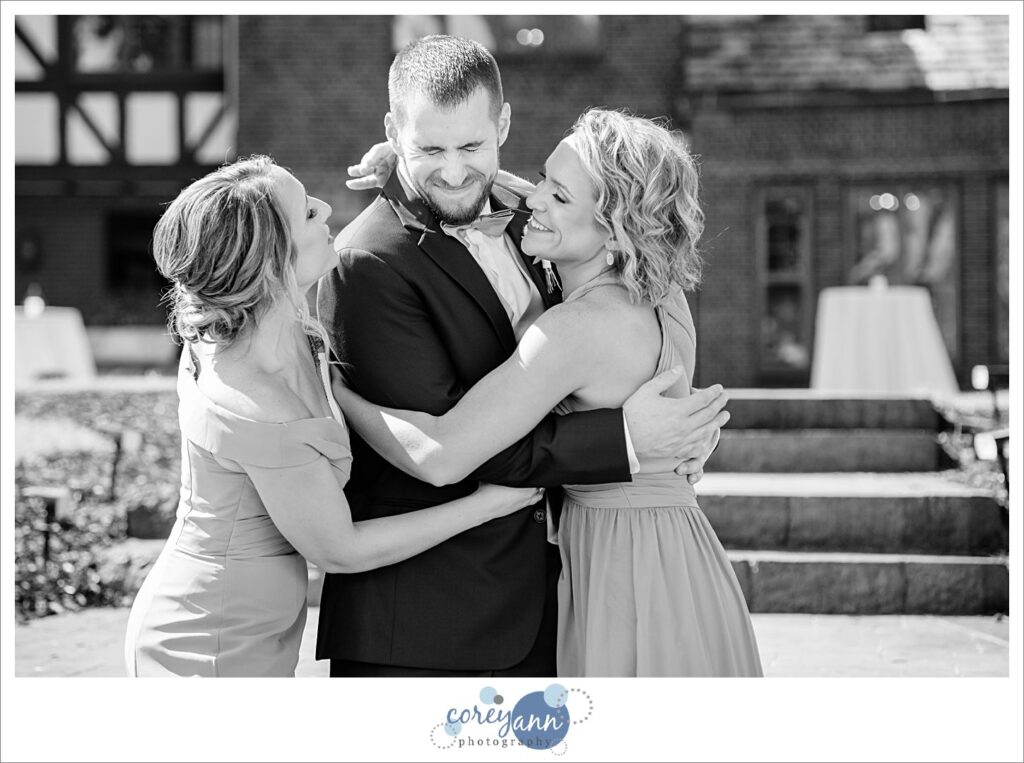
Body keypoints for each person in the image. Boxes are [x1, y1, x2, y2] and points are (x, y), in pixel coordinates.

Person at [316, 35, 729, 677]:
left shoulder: (573, 310)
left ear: (503, 125)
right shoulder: (660, 288)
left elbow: (447, 448)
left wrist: (341, 394)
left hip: (602, 571)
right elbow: (446, 455)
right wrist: (619, 439)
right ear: (395, 131)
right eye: (432, 147)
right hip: (437, 618)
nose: (455, 172)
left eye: (472, 146)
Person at [123, 155, 543, 677]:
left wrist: (422, 159)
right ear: (270, 259)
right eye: (305, 212)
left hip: (258, 622)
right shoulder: (254, 403)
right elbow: (342, 550)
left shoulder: (284, 327)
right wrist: (489, 504)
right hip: (211, 636)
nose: (324, 208)